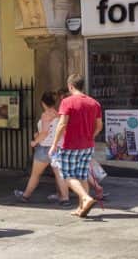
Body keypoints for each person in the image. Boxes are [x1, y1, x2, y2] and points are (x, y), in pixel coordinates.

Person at [49, 72, 103, 219]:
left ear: (70, 86)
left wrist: (54, 145)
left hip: (71, 145)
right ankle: (81, 207)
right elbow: (99, 126)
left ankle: (85, 198)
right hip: (88, 145)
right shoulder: (94, 103)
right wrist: (91, 136)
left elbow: (61, 124)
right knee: (82, 176)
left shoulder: (67, 102)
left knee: (67, 175)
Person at [13, 91, 69, 203]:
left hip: (44, 149)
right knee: (60, 175)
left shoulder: (45, 115)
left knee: (35, 175)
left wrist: (34, 141)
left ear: (43, 103)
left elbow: (44, 132)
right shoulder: (60, 115)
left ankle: (25, 196)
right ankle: (65, 198)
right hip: (57, 147)